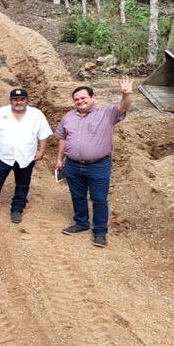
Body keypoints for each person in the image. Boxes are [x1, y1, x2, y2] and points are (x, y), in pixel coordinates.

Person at [54, 76, 133, 248]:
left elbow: (123, 106)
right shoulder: (68, 117)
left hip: (98, 166)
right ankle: (81, 223)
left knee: (99, 199)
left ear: (92, 98)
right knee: (77, 196)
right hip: (72, 165)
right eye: (76, 99)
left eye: (83, 98)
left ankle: (99, 232)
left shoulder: (107, 113)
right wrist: (59, 160)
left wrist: (126, 94)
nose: (80, 101)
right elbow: (62, 138)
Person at [0, 88, 52, 225]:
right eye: (15, 99)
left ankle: (17, 210)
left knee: (23, 185)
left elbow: (43, 134)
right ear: (10, 100)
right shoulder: (1, 113)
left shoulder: (37, 115)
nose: (19, 102)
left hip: (26, 157)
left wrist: (41, 150)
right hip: (3, 156)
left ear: (27, 100)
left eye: (22, 99)